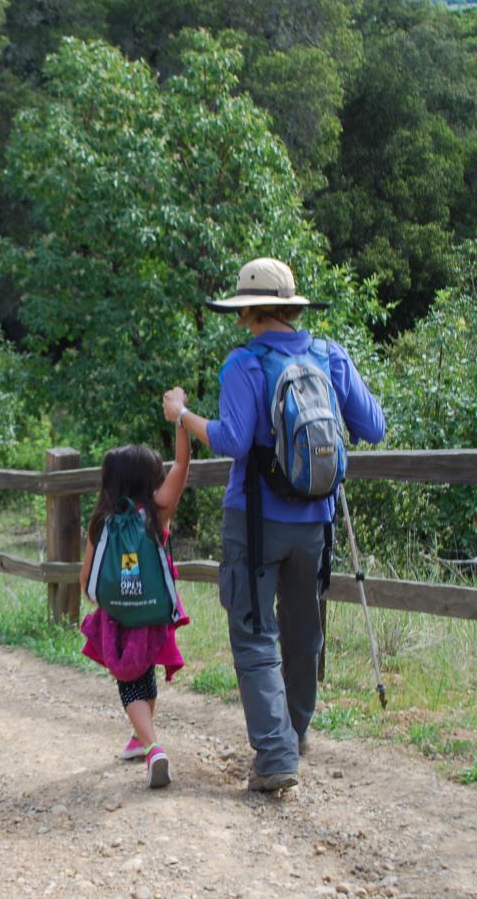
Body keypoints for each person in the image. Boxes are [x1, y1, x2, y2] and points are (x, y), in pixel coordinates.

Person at [163, 257, 385, 792]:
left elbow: (235, 441)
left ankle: (277, 755)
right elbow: (373, 426)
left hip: (256, 520)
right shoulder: (330, 356)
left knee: (254, 632)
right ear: (290, 307)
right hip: (317, 521)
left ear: (249, 313)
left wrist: (182, 417)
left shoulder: (244, 364)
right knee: (304, 629)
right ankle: (296, 731)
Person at [78, 420, 192, 789]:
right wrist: (181, 421)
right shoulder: (158, 515)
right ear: (150, 480)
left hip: (119, 619)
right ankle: (141, 738)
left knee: (129, 683)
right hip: (153, 613)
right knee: (146, 675)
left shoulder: (103, 522)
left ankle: (153, 747)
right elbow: (183, 464)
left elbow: (87, 581)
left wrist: (107, 600)